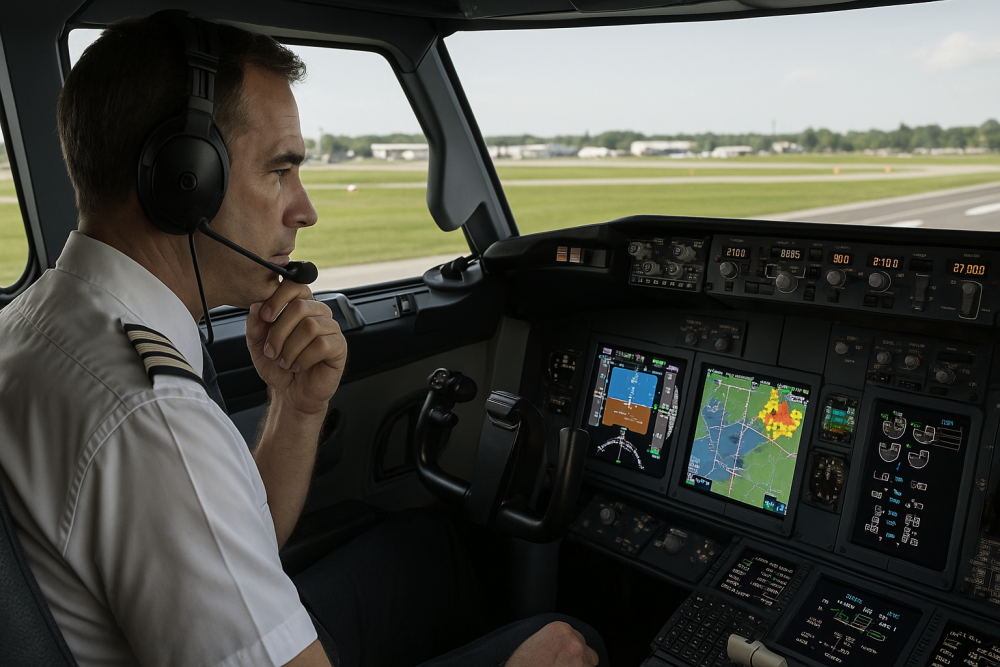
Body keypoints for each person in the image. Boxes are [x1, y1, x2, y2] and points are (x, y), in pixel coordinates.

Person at [0, 13, 606, 667]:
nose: (306, 209)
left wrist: (297, 404)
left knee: (432, 549)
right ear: (185, 180)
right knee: (571, 644)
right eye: (280, 170)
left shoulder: (37, 321)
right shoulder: (153, 422)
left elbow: (237, 542)